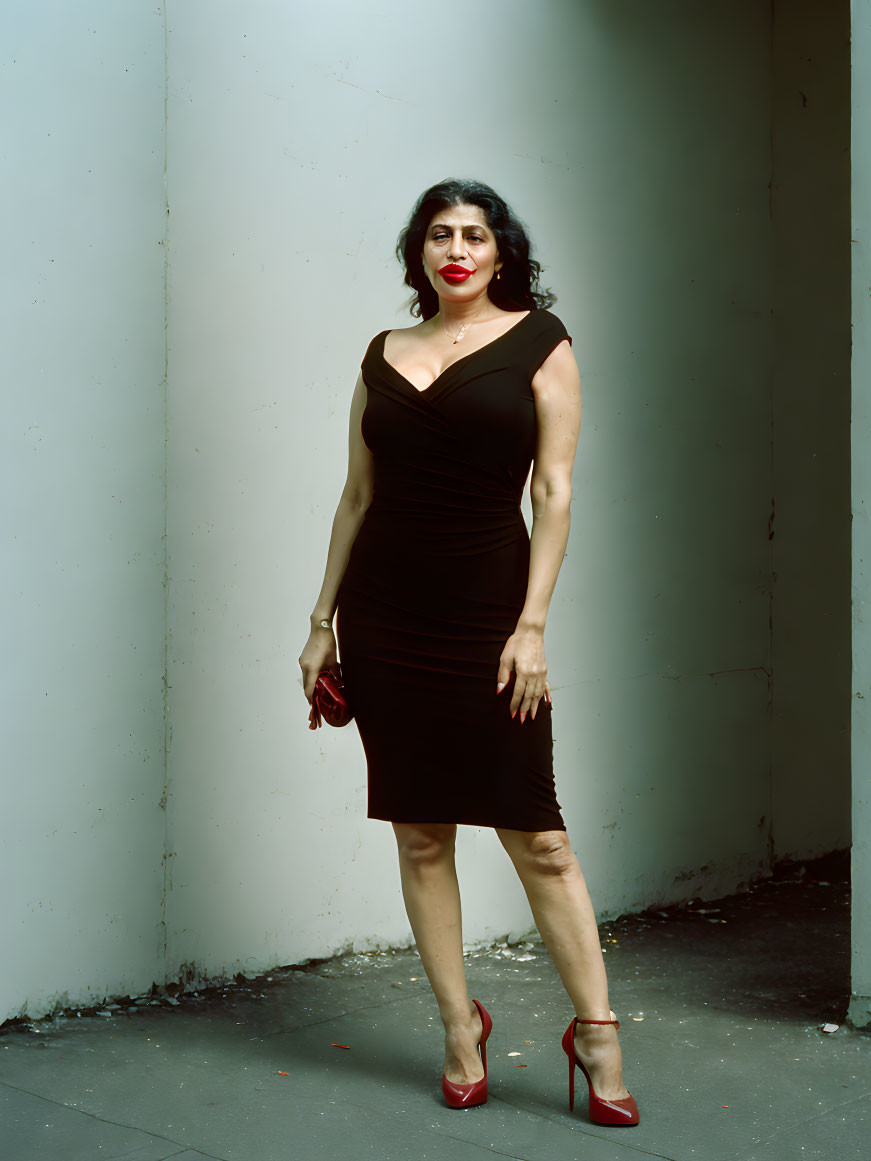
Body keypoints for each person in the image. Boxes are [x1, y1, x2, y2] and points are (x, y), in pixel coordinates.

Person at [298, 178, 639, 1126]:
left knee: (539, 836)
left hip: (490, 609)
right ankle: (459, 1026)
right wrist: (322, 619)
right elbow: (356, 497)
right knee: (420, 831)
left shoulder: (541, 340)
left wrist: (530, 626)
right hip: (386, 613)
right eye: (440, 234)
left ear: (501, 252)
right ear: (420, 252)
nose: (456, 248)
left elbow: (556, 493)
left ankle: (597, 1031)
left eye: (475, 234)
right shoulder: (381, 354)